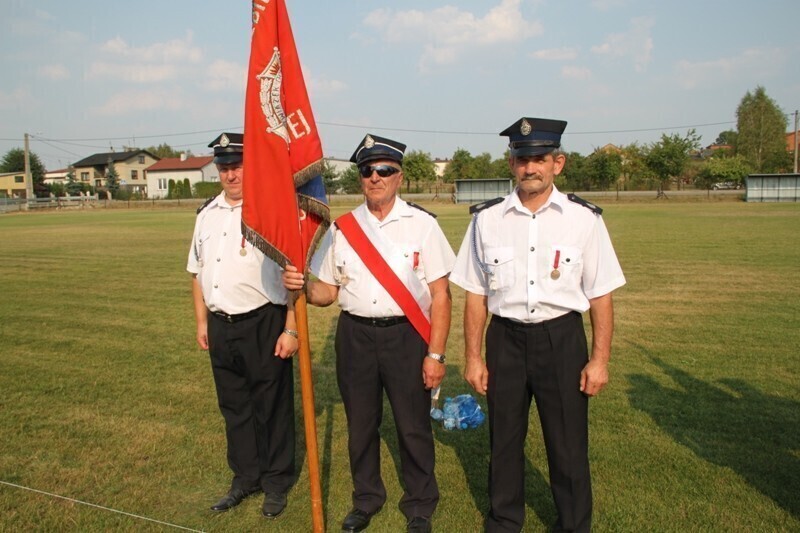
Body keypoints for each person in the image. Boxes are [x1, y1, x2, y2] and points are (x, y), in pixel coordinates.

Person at [449, 117, 626, 532]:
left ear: (558, 163)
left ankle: (573, 524)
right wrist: (473, 356)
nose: (531, 167)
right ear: (511, 163)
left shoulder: (584, 220)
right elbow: (475, 293)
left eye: (540, 159)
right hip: (505, 340)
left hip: (561, 339)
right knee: (504, 441)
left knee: (567, 446)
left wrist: (599, 360)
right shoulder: (487, 220)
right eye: (522, 158)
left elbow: (601, 294)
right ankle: (505, 521)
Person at [283, 134, 455, 533]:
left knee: (413, 425)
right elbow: (328, 291)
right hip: (355, 336)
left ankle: (420, 504)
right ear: (360, 178)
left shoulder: (423, 225)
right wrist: (303, 286)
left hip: (406, 337)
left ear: (399, 176)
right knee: (361, 425)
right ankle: (367, 499)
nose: (375, 177)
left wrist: (436, 354)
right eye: (367, 171)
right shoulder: (342, 228)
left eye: (384, 170)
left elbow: (441, 295)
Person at [187, 132, 298, 519]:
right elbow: (196, 271)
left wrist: (291, 328)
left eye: (237, 166)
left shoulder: (271, 212)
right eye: (224, 167)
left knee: (272, 408)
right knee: (234, 407)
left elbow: (294, 277)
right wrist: (202, 321)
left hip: (263, 321)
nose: (230, 175)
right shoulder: (207, 214)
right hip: (221, 324)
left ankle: (276, 482)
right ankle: (245, 478)